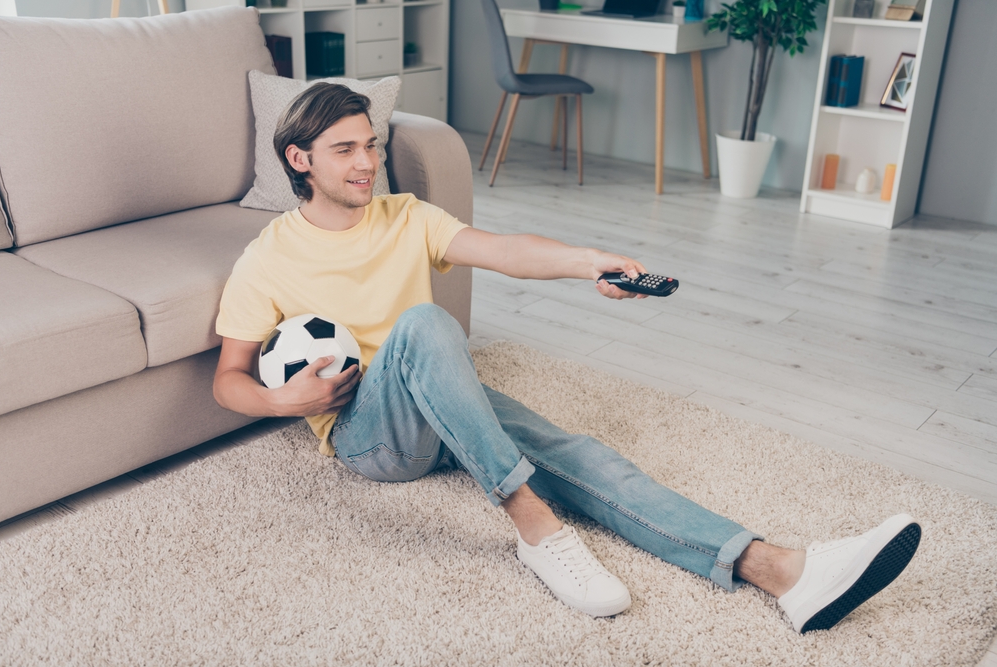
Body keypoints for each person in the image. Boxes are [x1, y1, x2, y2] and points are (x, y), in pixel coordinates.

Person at [212, 82, 921, 632]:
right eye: (346, 149)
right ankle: (533, 524)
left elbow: (506, 250)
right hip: (371, 437)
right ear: (300, 160)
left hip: (438, 399)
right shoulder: (267, 257)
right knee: (427, 323)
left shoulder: (405, 216)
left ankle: (783, 572)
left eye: (371, 144)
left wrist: (591, 263)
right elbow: (228, 379)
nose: (368, 162)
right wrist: (283, 401)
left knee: (583, 455)